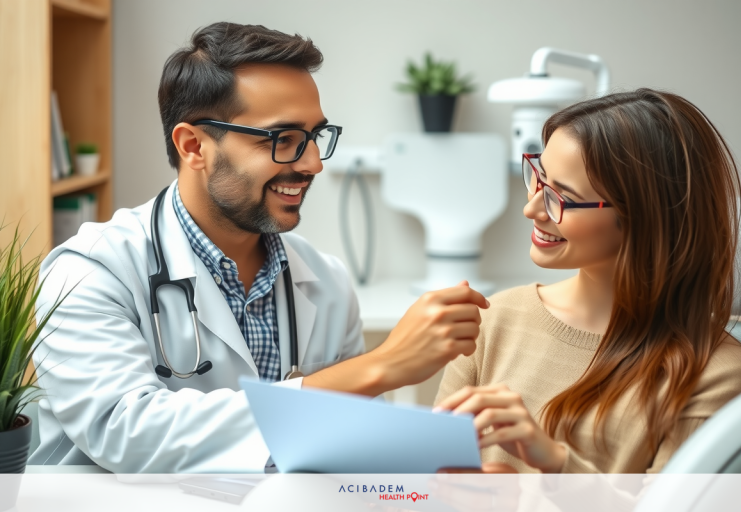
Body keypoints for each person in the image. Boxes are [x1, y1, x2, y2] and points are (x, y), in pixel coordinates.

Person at [30, 22, 488, 472]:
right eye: (283, 139)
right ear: (194, 146)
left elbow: (349, 447)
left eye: (314, 138)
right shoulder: (88, 272)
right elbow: (125, 432)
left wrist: (442, 456)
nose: (312, 163)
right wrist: (379, 367)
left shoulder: (325, 281)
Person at [434, 88, 741, 474]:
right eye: (538, 177)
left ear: (643, 216)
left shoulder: (715, 373)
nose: (531, 207)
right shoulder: (494, 319)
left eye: (561, 196)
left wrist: (556, 465)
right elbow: (428, 481)